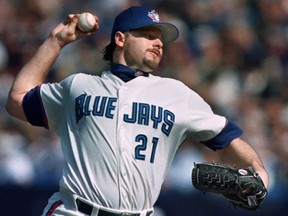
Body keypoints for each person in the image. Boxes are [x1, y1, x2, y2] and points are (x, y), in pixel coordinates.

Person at [6, 5, 269, 216]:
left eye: (161, 38)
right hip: (75, 211)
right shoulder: (79, 86)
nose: (159, 43)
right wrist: (56, 42)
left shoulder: (177, 94)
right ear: (120, 38)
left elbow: (227, 139)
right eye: (148, 34)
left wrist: (260, 172)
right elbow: (18, 99)